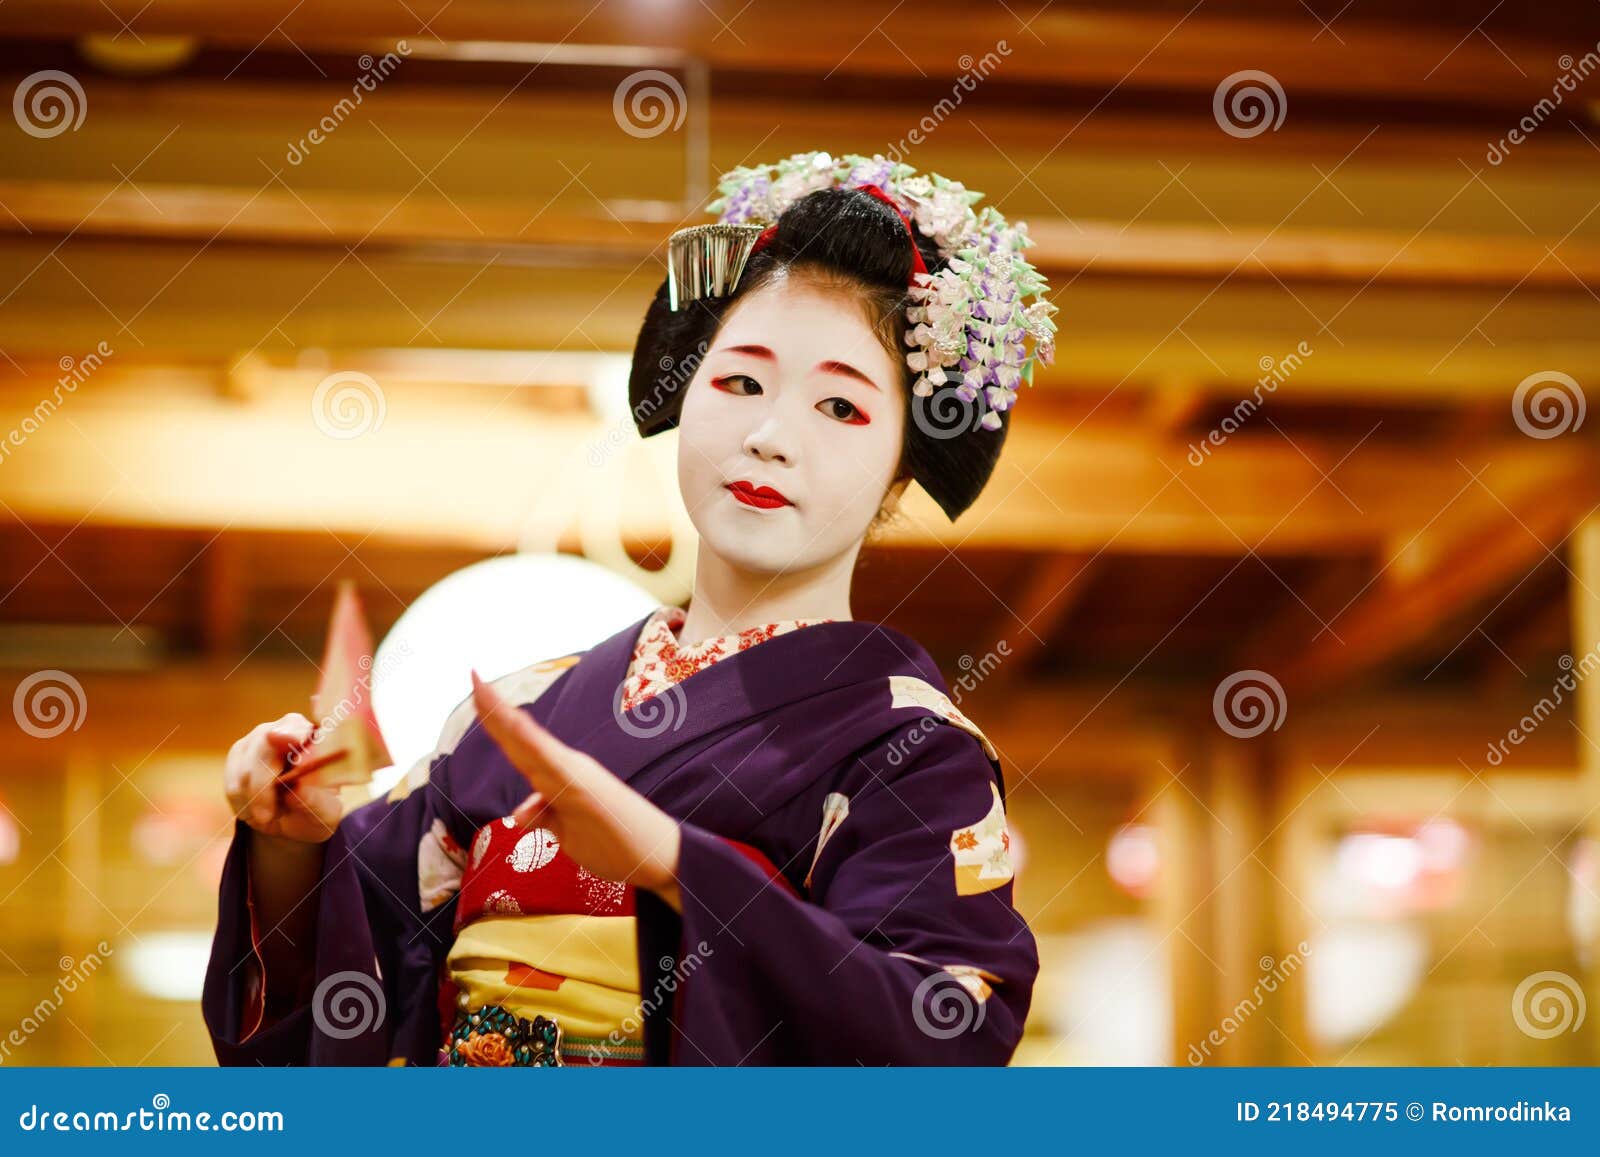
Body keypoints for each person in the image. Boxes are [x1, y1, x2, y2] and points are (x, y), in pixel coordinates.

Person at [203, 150, 1057, 1067]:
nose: (770, 437)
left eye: (841, 407)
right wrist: (292, 842)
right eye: (739, 382)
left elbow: (943, 1035)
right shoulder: (518, 713)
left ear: (904, 463)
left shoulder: (913, 751)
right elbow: (334, 998)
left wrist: (675, 866)